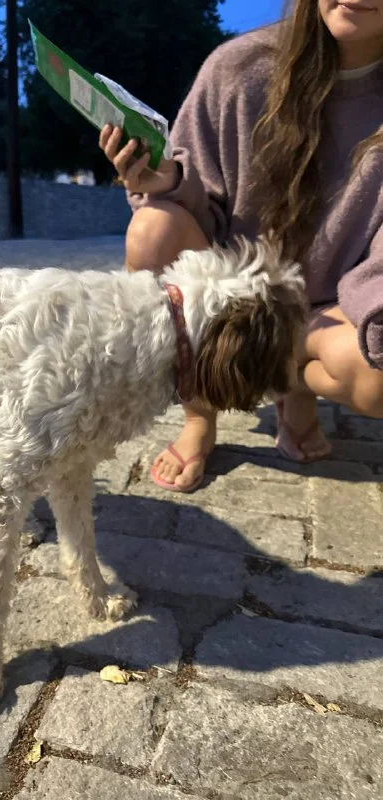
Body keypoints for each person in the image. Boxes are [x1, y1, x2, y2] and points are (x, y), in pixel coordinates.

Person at [99, 0, 383, 492]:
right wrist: (169, 180)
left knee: (376, 375)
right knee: (152, 230)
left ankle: (287, 378)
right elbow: (199, 200)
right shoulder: (238, 68)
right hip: (234, 288)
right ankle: (199, 413)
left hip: (332, 306)